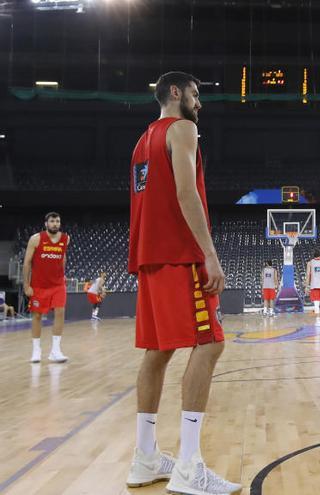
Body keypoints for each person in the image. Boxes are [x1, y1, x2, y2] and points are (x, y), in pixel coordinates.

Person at [127, 71, 240, 494]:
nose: (199, 103)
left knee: (157, 354)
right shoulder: (183, 128)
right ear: (175, 93)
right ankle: (189, 466)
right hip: (178, 255)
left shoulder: (143, 140)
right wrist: (209, 254)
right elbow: (185, 192)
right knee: (210, 343)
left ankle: (145, 458)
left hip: (148, 257)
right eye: (195, 94)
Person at [22, 212, 70, 363]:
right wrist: (26, 284)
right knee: (37, 316)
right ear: (46, 223)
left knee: (60, 312)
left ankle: (55, 351)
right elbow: (27, 263)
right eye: (52, 221)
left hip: (58, 284)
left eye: (57, 221)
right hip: (39, 286)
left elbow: (63, 257)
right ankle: (36, 350)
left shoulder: (65, 238)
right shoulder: (35, 239)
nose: (55, 224)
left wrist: (63, 274)